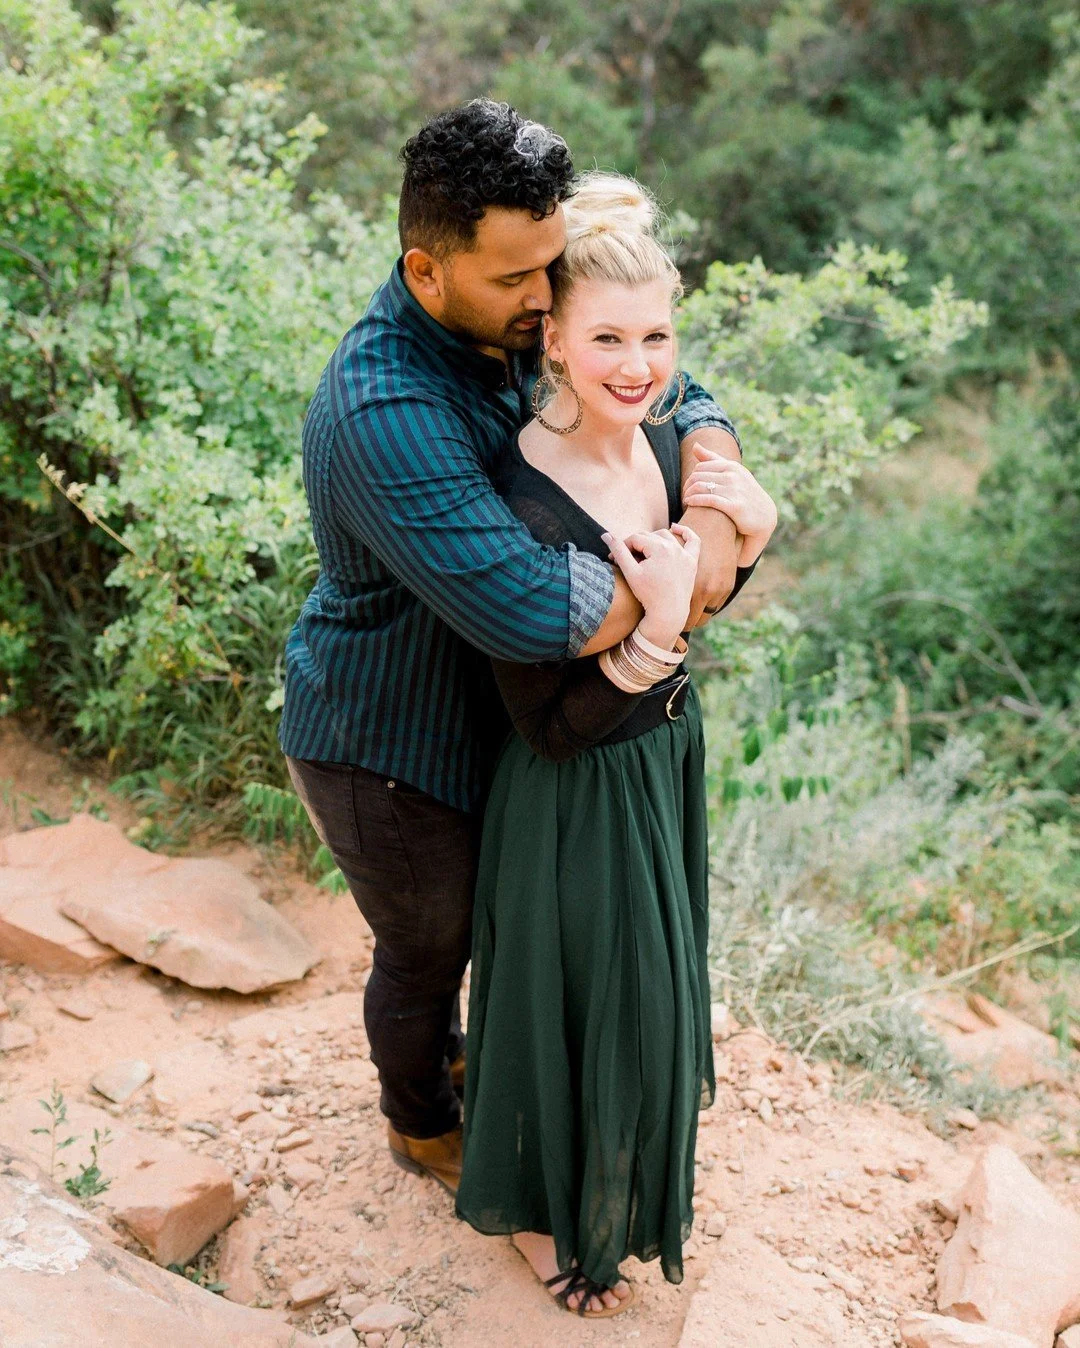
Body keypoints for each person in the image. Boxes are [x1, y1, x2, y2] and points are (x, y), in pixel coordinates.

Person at [279, 100, 747, 1196]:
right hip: (386, 742)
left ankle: (514, 1092)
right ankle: (423, 1121)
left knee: (512, 929)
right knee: (427, 948)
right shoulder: (382, 409)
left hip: (504, 718)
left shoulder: (514, 308)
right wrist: (687, 565)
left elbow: (663, 379)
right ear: (427, 271)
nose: (546, 306)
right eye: (516, 283)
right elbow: (553, 614)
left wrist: (711, 479)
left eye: (551, 274)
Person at [454, 173, 777, 1317]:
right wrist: (653, 644)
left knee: (651, 998)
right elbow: (543, 722)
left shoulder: (668, 429)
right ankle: (543, 1212)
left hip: (658, 762)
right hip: (570, 786)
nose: (637, 363)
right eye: (607, 339)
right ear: (552, 342)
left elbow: (704, 513)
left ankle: (617, 1189)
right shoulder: (519, 499)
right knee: (576, 1002)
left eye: (655, 335)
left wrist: (748, 516)